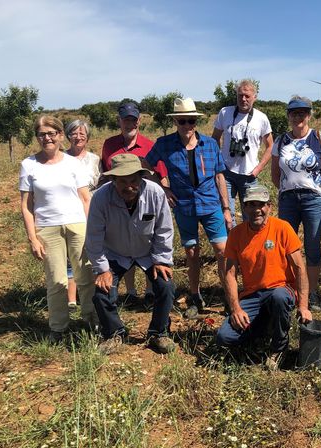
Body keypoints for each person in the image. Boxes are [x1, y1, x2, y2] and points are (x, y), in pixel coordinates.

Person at [146, 97, 232, 318]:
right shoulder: (164, 144)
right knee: (192, 253)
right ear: (176, 121)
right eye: (182, 121)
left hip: (211, 203)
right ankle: (195, 296)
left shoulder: (210, 144)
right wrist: (163, 188)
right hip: (184, 206)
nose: (187, 126)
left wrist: (226, 208)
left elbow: (220, 176)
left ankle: (230, 297)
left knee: (223, 250)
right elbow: (146, 165)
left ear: (196, 122)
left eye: (191, 121)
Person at [84, 154, 176, 354]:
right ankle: (114, 333)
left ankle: (158, 333)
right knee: (102, 292)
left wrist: (161, 260)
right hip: (115, 253)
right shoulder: (100, 197)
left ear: (142, 177)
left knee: (165, 286)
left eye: (134, 180)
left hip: (148, 252)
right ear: (113, 180)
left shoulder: (155, 193)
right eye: (123, 181)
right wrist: (102, 268)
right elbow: (93, 237)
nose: (129, 186)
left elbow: (164, 230)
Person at [217, 183, 312, 370]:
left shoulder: (282, 228)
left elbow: (300, 268)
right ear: (244, 207)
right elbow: (229, 273)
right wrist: (235, 308)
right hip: (252, 295)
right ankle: (263, 327)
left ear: (269, 206)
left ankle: (279, 347)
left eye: (261, 204)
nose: (256, 210)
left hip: (281, 289)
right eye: (251, 204)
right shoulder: (236, 235)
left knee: (278, 298)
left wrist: (303, 306)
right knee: (224, 337)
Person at [19, 115, 97, 341]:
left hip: (77, 225)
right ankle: (58, 327)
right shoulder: (29, 165)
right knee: (56, 280)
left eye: (51, 134)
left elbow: (85, 198)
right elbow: (26, 205)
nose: (47, 138)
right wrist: (32, 238)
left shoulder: (73, 163)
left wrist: (91, 231)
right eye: (42, 134)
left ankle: (92, 320)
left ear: (60, 136)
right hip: (47, 228)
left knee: (85, 276)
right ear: (37, 137)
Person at [100, 101, 168, 306]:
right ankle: (130, 291)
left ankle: (149, 290)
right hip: (117, 203)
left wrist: (165, 194)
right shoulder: (109, 145)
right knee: (123, 244)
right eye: (125, 120)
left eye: (133, 120)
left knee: (147, 243)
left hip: (146, 202)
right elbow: (105, 173)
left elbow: (161, 174)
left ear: (139, 121)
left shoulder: (150, 145)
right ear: (119, 121)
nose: (129, 124)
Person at [271, 96, 321, 312]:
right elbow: (274, 174)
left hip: (314, 199)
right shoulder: (280, 141)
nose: (299, 116)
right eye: (294, 113)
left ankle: (312, 293)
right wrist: (289, 188)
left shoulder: (319, 137)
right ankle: (290, 289)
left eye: (303, 112)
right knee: (286, 247)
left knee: (312, 247)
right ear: (288, 115)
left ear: (309, 115)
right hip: (288, 199)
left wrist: (318, 188)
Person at [212, 79, 273, 225]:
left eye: (247, 96)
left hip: (249, 175)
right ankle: (233, 244)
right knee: (227, 215)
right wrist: (217, 163)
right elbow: (214, 139)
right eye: (240, 95)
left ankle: (249, 245)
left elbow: (270, 146)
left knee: (252, 216)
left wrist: (258, 169)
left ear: (254, 97)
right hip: (226, 173)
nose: (243, 99)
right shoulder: (225, 112)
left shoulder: (261, 118)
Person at [64, 119, 102, 309]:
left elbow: (100, 184)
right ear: (67, 135)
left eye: (82, 134)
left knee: (92, 250)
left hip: (93, 207)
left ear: (87, 137)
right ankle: (72, 299)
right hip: (69, 208)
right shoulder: (61, 158)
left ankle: (94, 294)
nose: (78, 137)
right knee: (70, 255)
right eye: (74, 133)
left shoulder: (95, 159)